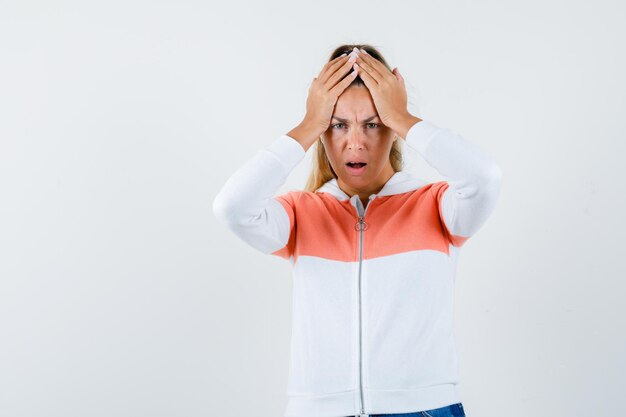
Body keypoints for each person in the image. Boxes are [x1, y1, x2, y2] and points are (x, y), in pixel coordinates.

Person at [213, 44, 502, 417]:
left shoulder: (437, 207)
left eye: (373, 123)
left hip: (422, 409)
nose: (356, 142)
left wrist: (402, 116)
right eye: (338, 125)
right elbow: (232, 208)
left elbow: (485, 178)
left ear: (393, 130)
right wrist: (306, 126)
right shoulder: (300, 214)